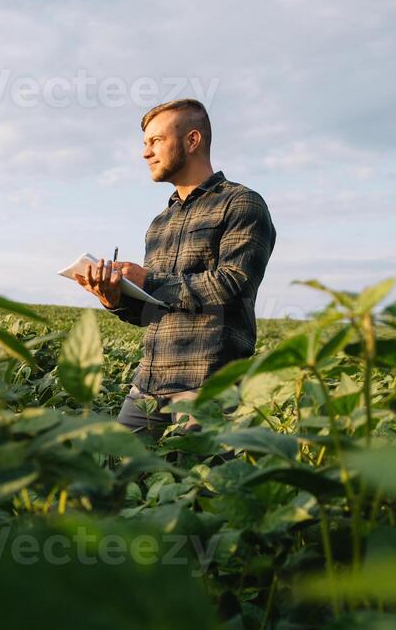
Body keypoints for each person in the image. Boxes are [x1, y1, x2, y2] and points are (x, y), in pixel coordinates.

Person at [74, 99, 276, 440]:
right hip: (148, 384)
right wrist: (115, 298)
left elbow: (234, 282)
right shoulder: (159, 224)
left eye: (156, 141)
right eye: (145, 144)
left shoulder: (241, 203)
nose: (145, 153)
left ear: (192, 141)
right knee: (116, 474)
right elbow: (155, 310)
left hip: (208, 385)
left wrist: (147, 279)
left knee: (200, 487)